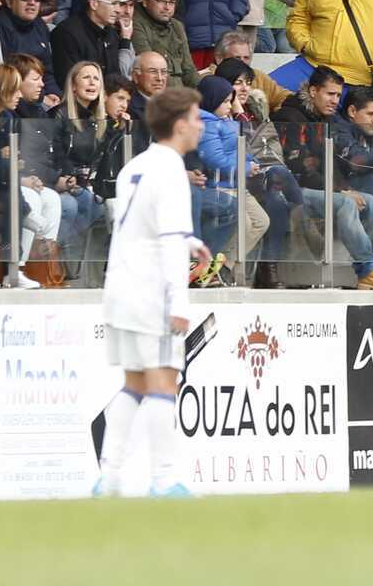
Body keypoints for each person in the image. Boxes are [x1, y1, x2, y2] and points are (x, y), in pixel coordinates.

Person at [93, 84, 209, 499]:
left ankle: (109, 479)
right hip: (151, 291)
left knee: (134, 384)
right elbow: (167, 240)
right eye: (195, 118)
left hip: (120, 288)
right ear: (179, 125)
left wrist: (191, 242)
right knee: (162, 384)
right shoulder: (171, 170)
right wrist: (179, 302)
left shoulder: (136, 166)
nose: (200, 126)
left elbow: (141, 225)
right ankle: (163, 481)